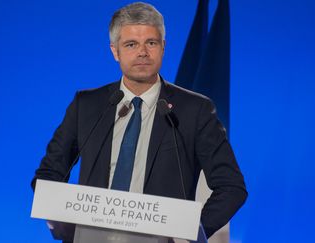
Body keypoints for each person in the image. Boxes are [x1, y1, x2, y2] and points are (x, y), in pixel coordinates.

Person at [31, 1, 247, 240]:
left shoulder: (194, 110)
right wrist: (58, 215)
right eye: (131, 44)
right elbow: (49, 173)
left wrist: (191, 230)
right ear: (115, 51)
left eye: (151, 43)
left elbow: (232, 187)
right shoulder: (88, 105)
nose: (142, 52)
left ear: (163, 47)